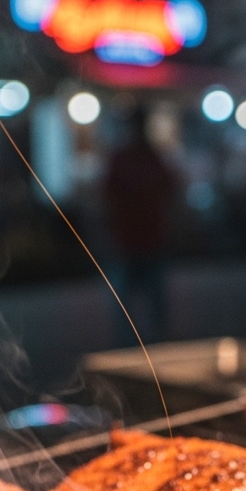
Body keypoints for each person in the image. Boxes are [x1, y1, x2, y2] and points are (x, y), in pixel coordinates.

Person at [102, 106, 178, 344]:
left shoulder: (151, 157)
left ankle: (156, 339)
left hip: (149, 235)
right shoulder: (122, 158)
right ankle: (128, 341)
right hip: (128, 237)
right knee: (125, 295)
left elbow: (170, 189)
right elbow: (107, 195)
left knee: (153, 294)